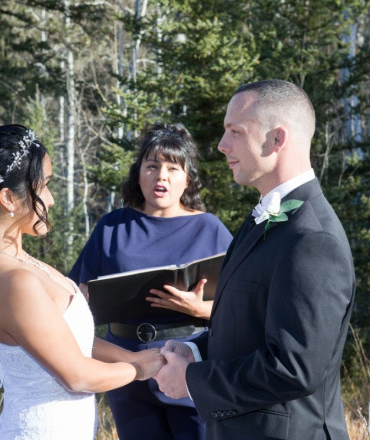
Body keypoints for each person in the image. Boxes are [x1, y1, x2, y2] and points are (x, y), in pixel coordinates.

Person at [0, 124, 166, 440]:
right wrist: (141, 369)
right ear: (8, 199)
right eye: (43, 186)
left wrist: (135, 357)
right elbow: (76, 375)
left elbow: (65, 343)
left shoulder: (19, 262)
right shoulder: (13, 280)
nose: (51, 199)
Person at [154, 80, 356, 440]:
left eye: (235, 131)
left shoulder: (313, 239)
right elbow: (247, 331)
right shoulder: (264, 219)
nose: (221, 144)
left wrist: (192, 380)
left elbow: (293, 368)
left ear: (277, 139)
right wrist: (194, 350)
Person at [69, 122, 232, 440]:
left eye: (173, 168)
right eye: (153, 166)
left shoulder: (210, 229)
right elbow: (77, 297)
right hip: (126, 369)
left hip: (190, 363)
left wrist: (199, 309)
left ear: (187, 179)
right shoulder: (112, 227)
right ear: (138, 173)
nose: (162, 176)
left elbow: (244, 308)